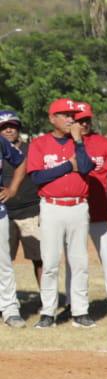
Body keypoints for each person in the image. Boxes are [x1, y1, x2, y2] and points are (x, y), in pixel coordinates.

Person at [26, 99, 96, 328]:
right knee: (51, 262)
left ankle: (80, 311)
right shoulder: (39, 143)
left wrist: (78, 141)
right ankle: (48, 313)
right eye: (65, 115)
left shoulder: (81, 142)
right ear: (52, 118)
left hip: (78, 206)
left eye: (72, 115)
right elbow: (37, 177)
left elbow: (85, 167)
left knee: (79, 262)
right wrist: (67, 166)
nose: (70, 119)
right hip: (51, 206)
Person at [74, 103, 107, 319]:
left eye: (87, 119)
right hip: (74, 211)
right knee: (74, 261)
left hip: (101, 210)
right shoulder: (67, 144)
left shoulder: (103, 143)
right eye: (79, 120)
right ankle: (73, 303)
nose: (84, 123)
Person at [1, 114, 42, 308]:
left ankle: (47, 301)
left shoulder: (31, 149)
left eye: (12, 126)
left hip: (32, 211)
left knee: (40, 259)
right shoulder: (1, 150)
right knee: (3, 261)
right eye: (4, 127)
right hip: (5, 214)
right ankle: (6, 303)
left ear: (19, 128)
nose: (9, 130)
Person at [0, 110, 25, 326]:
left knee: (3, 263)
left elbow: (21, 162)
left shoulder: (1, 142)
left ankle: (9, 309)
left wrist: (13, 189)